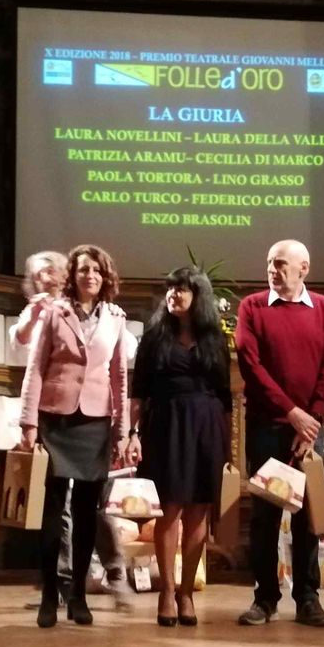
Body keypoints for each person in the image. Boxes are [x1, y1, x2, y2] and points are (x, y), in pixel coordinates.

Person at [11, 250, 131, 610]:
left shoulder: (115, 317)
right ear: (73, 276)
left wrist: (122, 429)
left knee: (88, 510)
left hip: (95, 421)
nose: (90, 275)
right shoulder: (52, 312)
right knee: (53, 510)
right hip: (55, 418)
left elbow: (119, 375)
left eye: (96, 270)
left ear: (104, 277)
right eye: (83, 269)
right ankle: (53, 591)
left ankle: (84, 591)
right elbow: (34, 366)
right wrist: (28, 422)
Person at [234, 239, 324, 627]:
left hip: (309, 430)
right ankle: (265, 597)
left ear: (303, 268)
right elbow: (251, 365)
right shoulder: (252, 306)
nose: (272, 270)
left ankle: (308, 598)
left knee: (307, 516)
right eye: (269, 263)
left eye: (280, 264)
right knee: (265, 515)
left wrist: (311, 420)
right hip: (268, 426)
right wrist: (292, 413)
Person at [129, 267, 231, 627]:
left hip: (206, 426)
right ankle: (167, 592)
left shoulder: (214, 338)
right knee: (169, 510)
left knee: (198, 513)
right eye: (170, 288)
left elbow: (225, 395)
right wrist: (132, 433)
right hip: (165, 426)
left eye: (182, 289)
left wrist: (227, 445)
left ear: (197, 295)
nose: (174, 294)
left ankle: (187, 593)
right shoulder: (154, 337)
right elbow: (139, 391)